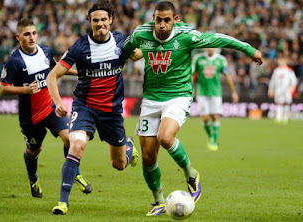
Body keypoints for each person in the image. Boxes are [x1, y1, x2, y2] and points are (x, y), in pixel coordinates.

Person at [122, 1, 263, 216]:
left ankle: (191, 173)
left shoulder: (186, 35)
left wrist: (249, 49)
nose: (162, 25)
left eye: (167, 20)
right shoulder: (141, 34)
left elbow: (218, 39)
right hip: (150, 99)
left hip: (178, 96)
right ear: (153, 18)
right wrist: (126, 59)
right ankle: (158, 201)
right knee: (149, 158)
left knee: (165, 138)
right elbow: (125, 52)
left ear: (175, 19)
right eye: (158, 20)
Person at [46, 1, 139, 215]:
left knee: (119, 164)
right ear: (89, 21)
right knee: (76, 145)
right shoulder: (79, 47)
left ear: (111, 20)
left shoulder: (120, 41)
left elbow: (136, 55)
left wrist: (152, 43)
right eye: (95, 20)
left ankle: (128, 147)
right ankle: (62, 202)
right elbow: (53, 75)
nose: (100, 24)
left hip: (112, 111)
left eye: (103, 20)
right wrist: (59, 102)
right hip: (85, 107)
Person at [0, 18, 92, 199]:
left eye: (34, 33)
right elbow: (3, 87)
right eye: (27, 34)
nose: (32, 37)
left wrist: (82, 73)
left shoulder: (45, 50)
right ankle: (33, 178)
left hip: (50, 108)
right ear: (19, 37)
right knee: (34, 150)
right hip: (31, 117)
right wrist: (25, 90)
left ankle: (76, 174)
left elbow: (56, 69)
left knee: (69, 139)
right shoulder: (14, 62)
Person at [192, 48, 239, 151]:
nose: (210, 48)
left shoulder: (221, 60)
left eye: (212, 46)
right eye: (208, 46)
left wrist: (233, 92)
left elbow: (227, 76)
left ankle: (214, 141)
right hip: (202, 92)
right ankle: (210, 135)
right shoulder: (198, 59)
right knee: (204, 118)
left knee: (215, 116)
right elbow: (192, 74)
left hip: (216, 92)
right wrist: (191, 88)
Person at [268, 57, 297, 124]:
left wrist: (292, 87)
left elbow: (294, 80)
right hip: (278, 89)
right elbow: (273, 81)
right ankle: (278, 118)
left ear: (286, 61)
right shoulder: (276, 70)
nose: (280, 62)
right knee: (279, 103)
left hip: (286, 90)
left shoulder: (289, 70)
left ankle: (285, 118)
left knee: (286, 103)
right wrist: (270, 89)